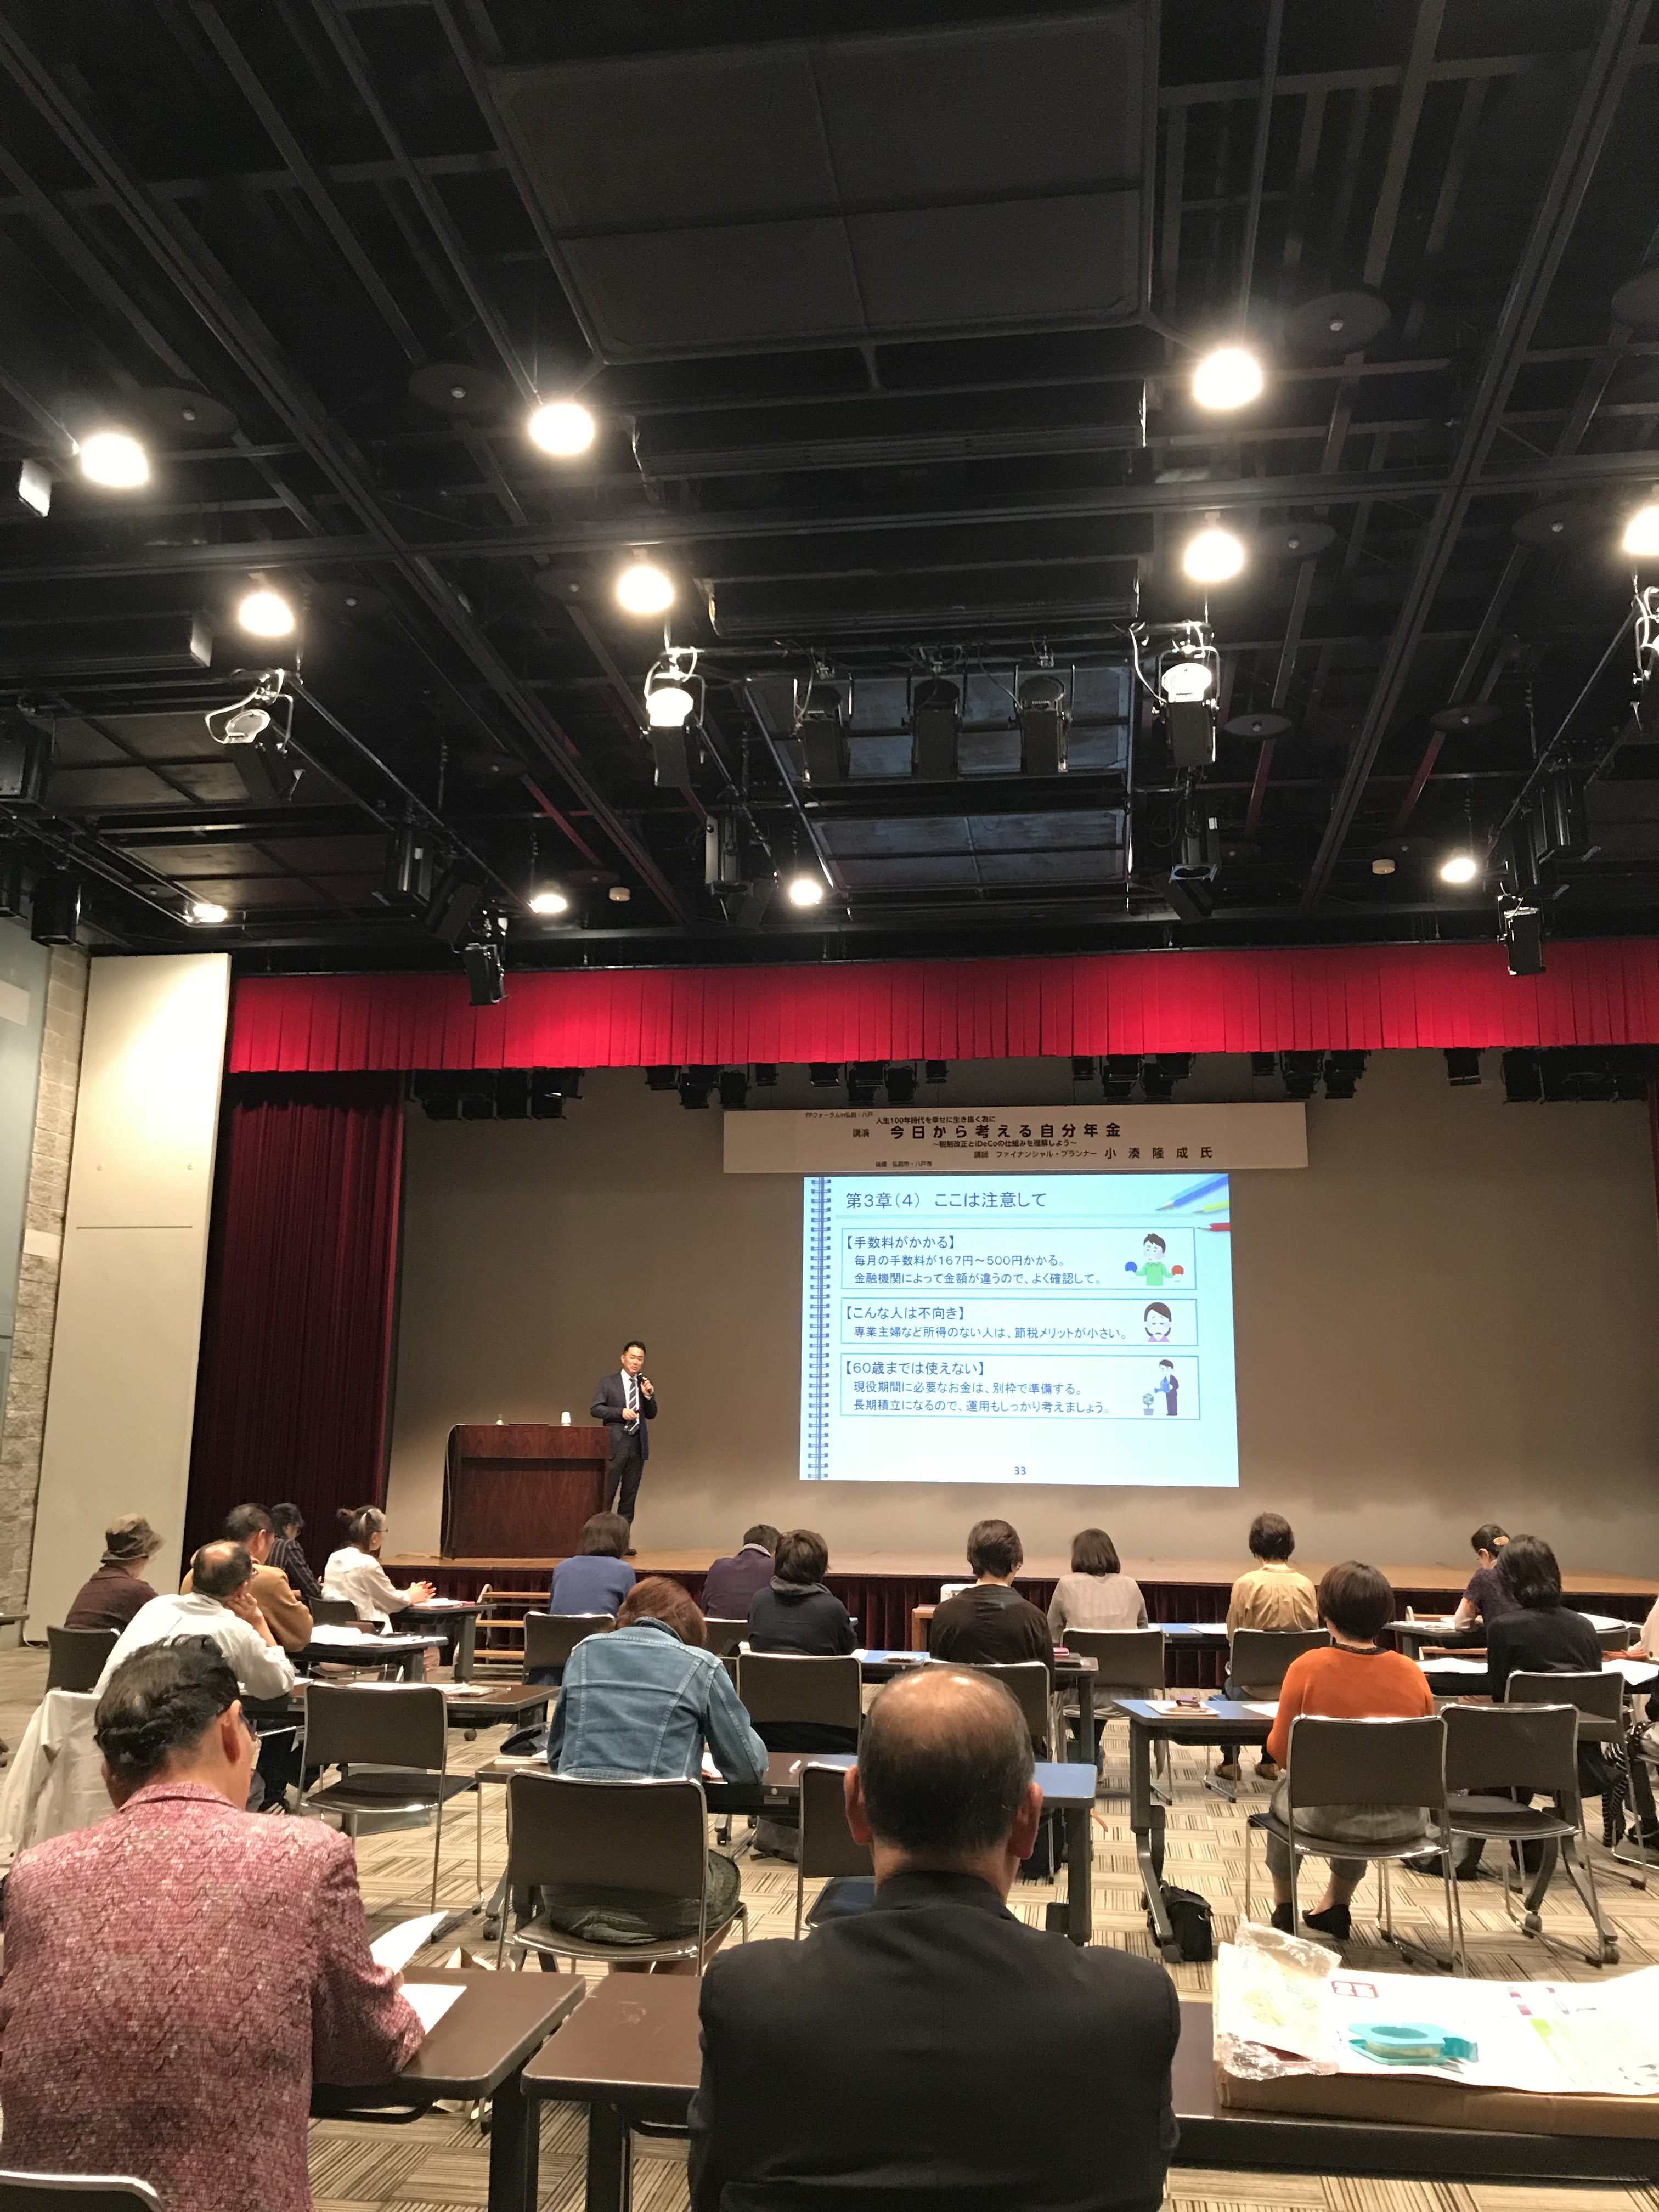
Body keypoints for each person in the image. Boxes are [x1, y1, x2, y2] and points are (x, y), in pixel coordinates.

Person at [688, 1667, 1180, 2212]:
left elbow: (711, 2192)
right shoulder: (1130, 2007)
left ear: (854, 1806)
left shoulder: (749, 1996)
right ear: (1028, 1820)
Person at [0, 1641, 423, 2211]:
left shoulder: (34, 1874)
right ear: (230, 1729)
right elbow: (368, 2052)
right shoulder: (304, 1856)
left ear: (109, 1772)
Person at [543, 1577, 765, 1968]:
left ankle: (627, 1991)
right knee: (724, 1879)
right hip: (667, 1898)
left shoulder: (582, 1654)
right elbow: (748, 1769)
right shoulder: (702, 1666)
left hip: (566, 1894)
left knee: (621, 1866)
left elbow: (558, 1757)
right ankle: (655, 1992)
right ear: (690, 1624)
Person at [1262, 1561, 1435, 1942]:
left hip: (1322, 1818)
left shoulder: (1307, 1667)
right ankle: (1336, 1903)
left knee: (1286, 1798)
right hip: (1401, 1820)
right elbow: (1424, 1756)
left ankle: (1284, 1906)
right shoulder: (1412, 1672)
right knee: (1360, 1788)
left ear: (1325, 1612)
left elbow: (1279, 1752)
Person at [95, 1542, 296, 1702]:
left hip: (100, 1722)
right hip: (157, 1735)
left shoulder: (156, 1606)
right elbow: (279, 1682)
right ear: (243, 1588)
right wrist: (258, 1621)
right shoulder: (234, 1629)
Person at [1217, 1511, 1320, 1782]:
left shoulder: (1246, 1584)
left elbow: (1233, 1637)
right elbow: (1312, 1636)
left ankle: (1230, 1763)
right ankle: (1269, 1761)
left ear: (1255, 1545)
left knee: (1229, 1684)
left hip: (1250, 1689)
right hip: (1294, 1691)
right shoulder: (1306, 1586)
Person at [182, 1503, 313, 1654]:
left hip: (194, 1661)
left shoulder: (192, 1575)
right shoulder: (269, 1579)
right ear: (261, 1538)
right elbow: (301, 1636)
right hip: (248, 1664)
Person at [929, 1519, 1053, 1675]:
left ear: (972, 1559)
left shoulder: (944, 1614)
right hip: (1014, 1693)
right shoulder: (1035, 1619)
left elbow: (937, 1678)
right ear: (1015, 1564)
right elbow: (1047, 1682)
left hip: (965, 1692)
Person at [323, 1505, 437, 1624]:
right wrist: (412, 1596)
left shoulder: (334, 1558)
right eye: (384, 1531)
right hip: (367, 1631)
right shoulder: (367, 1564)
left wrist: (408, 1593)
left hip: (335, 1629)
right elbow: (392, 1603)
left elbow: (383, 1596)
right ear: (374, 1537)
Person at [591, 1338, 657, 1537]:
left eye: (640, 1359)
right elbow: (596, 1408)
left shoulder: (642, 1384)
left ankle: (621, 1542)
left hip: (637, 1445)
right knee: (607, 1494)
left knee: (629, 1498)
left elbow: (652, 1414)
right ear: (623, 1358)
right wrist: (620, 1412)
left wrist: (649, 1396)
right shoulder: (609, 1382)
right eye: (632, 1357)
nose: (636, 1362)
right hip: (616, 1444)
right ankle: (599, 1541)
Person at [64, 1514, 163, 1632]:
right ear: (140, 1558)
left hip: (66, 1644)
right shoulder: (139, 1591)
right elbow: (167, 1629)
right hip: (107, 1645)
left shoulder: (91, 1586)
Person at [1048, 1527, 1148, 1638]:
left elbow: (1053, 1634)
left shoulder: (1066, 1584)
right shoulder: (1131, 1585)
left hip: (1081, 1648)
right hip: (1127, 1649)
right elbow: (1144, 1632)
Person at [548, 1512, 636, 1615]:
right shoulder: (624, 1570)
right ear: (622, 1541)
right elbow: (630, 1615)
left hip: (558, 1625)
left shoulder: (562, 1567)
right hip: (603, 1625)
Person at [701, 1523, 780, 1620]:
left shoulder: (719, 1565)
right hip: (758, 1628)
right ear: (775, 1552)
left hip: (716, 1628)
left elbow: (704, 1605)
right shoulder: (775, 1566)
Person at [1452, 1523, 1518, 1634]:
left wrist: (1483, 1625)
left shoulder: (1483, 1577)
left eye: (1479, 1558)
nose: (1479, 1562)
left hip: (1503, 1642)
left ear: (1485, 1554)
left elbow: (1461, 1623)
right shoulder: (1526, 1571)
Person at [269, 1502, 323, 1608]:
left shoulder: (262, 1543)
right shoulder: (289, 1546)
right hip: (279, 1609)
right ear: (288, 1527)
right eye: (297, 1530)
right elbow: (313, 1590)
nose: (297, 1535)